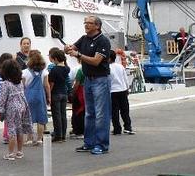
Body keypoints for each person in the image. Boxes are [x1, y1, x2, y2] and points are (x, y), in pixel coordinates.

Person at [65, 15, 112, 155]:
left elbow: (96, 61)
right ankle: (89, 143)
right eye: (85, 23)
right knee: (89, 113)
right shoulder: (84, 38)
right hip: (88, 80)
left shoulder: (103, 41)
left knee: (101, 113)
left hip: (100, 79)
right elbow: (70, 49)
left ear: (97, 26)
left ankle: (102, 145)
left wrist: (78, 55)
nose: (86, 25)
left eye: (89, 23)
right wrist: (67, 48)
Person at [0, 59, 32, 161]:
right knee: (19, 129)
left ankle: (10, 153)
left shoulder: (6, 83)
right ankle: (19, 152)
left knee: (11, 130)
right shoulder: (19, 82)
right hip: (22, 107)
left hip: (11, 109)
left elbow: (3, 99)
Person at [22, 50, 50, 146]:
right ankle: (39, 139)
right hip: (40, 97)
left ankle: (29, 139)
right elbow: (46, 86)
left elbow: (23, 86)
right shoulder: (44, 72)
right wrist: (49, 97)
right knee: (40, 118)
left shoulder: (25, 72)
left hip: (28, 97)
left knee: (29, 118)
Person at [109, 50, 134, 135]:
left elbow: (107, 82)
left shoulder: (107, 68)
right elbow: (125, 79)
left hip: (112, 91)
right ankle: (128, 127)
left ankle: (117, 128)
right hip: (122, 90)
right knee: (125, 110)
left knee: (114, 111)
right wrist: (127, 88)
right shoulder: (120, 67)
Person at [48, 49, 70, 142]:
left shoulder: (54, 69)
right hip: (64, 93)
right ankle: (63, 135)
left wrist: (48, 94)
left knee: (56, 115)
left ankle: (58, 135)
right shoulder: (66, 68)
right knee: (63, 114)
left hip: (56, 93)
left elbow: (51, 83)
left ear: (55, 59)